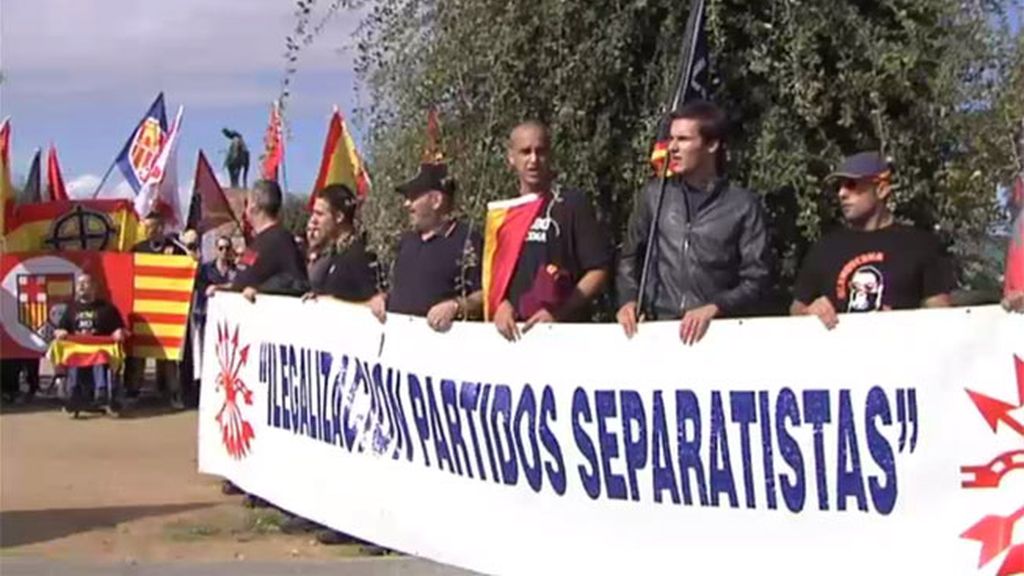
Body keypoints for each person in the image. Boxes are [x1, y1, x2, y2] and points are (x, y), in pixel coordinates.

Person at [616, 102, 770, 345]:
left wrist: (715, 307)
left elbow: (757, 277)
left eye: (684, 139)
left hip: (718, 335)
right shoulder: (654, 196)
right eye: (671, 139)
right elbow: (630, 258)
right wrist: (628, 300)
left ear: (711, 144)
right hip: (659, 330)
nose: (673, 148)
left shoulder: (742, 205)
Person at [790, 151, 956, 329]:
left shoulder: (919, 245)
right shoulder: (825, 248)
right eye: (839, 186)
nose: (842, 193)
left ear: (881, 189)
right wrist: (810, 313)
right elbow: (796, 310)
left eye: (852, 184)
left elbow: (942, 318)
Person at [491, 121, 612, 341]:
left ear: (551, 155)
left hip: (563, 337)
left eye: (541, 151)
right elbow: (493, 276)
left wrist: (559, 312)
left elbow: (598, 270)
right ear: (511, 158)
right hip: (514, 338)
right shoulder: (503, 213)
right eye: (525, 152)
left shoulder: (572, 204)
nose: (533, 160)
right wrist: (500, 303)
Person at [369, 162, 483, 333]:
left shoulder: (467, 241)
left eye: (413, 197)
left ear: (436, 200)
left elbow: (486, 295)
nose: (406, 204)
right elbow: (401, 290)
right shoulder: (406, 242)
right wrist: (383, 298)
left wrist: (455, 306)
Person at [209, 179, 309, 302]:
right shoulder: (256, 241)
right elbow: (244, 282)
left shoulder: (281, 240)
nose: (245, 209)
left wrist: (261, 291)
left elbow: (298, 283)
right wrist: (223, 289)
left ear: (254, 206)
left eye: (247, 202)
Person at [125, 210, 186, 407]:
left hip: (167, 312)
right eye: (147, 227)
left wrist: (175, 260)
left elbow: (189, 266)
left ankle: (173, 394)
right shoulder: (137, 249)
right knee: (137, 355)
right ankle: (132, 392)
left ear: (161, 227)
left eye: (153, 227)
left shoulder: (175, 248)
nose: (149, 230)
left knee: (168, 357)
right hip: (143, 312)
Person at [54, 273, 126, 415]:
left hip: (99, 349)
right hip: (77, 350)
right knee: (73, 357)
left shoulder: (106, 308)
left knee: (100, 356)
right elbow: (60, 329)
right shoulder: (71, 309)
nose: (81, 286)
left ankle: (101, 392)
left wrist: (119, 332)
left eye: (85, 283)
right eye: (79, 283)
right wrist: (60, 332)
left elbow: (119, 328)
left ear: (93, 287)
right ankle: (74, 394)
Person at [303, 184, 378, 302]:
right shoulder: (335, 255)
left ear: (339, 217)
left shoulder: (359, 256)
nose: (313, 220)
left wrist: (329, 301)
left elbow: (373, 303)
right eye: (313, 213)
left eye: (319, 214)